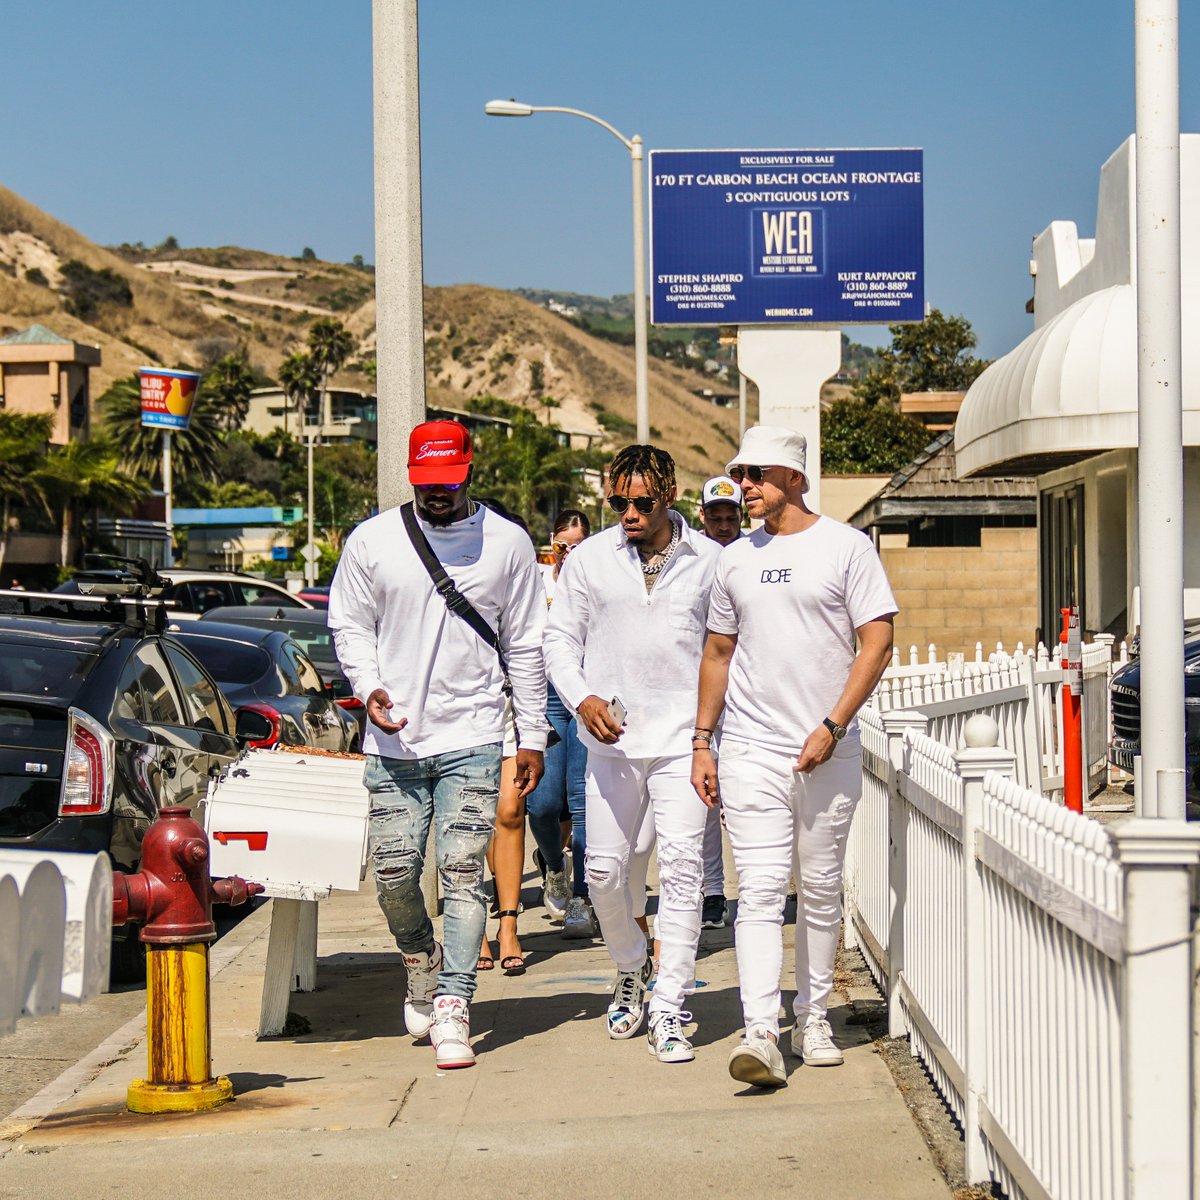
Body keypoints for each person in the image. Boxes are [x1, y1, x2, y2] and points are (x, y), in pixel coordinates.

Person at [329, 419, 549, 1071]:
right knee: (395, 874)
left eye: (447, 483)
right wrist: (368, 686)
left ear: (469, 470)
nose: (436, 496)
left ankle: (454, 1003)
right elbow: (348, 622)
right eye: (425, 484)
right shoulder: (373, 541)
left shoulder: (507, 544)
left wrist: (531, 734)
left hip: (474, 736)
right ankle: (421, 960)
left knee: (460, 872)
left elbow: (527, 643)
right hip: (393, 746)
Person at [690, 425, 896, 1088]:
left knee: (821, 890)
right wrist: (703, 740)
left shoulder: (847, 548)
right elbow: (718, 654)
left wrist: (833, 727)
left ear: (796, 479)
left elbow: (878, 642)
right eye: (741, 474)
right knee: (756, 891)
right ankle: (760, 1031)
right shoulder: (734, 560)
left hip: (826, 751)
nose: (745, 486)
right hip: (750, 748)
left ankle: (813, 1017)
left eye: (758, 474)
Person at [546, 445, 720, 1064]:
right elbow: (560, 640)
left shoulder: (709, 561)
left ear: (669, 495)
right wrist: (580, 696)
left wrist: (711, 736)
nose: (628, 513)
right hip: (610, 741)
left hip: (681, 740)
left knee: (680, 871)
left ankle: (671, 1004)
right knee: (603, 872)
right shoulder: (589, 559)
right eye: (617, 502)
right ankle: (629, 969)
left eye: (641, 502)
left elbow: (726, 651)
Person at [539, 510, 598, 939]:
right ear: (551, 545)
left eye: (579, 547)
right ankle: (554, 869)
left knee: (581, 801)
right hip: (545, 697)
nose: (571, 554)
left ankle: (582, 897)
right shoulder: (537, 582)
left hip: (585, 697)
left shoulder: (596, 579)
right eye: (563, 546)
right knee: (541, 803)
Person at [695, 474, 746, 930]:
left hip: (746, 693)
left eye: (732, 517)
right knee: (707, 797)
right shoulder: (692, 558)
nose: (724, 524)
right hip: (704, 692)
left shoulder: (751, 556)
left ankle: (751, 889)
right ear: (703, 515)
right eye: (717, 516)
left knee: (744, 795)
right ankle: (712, 890)